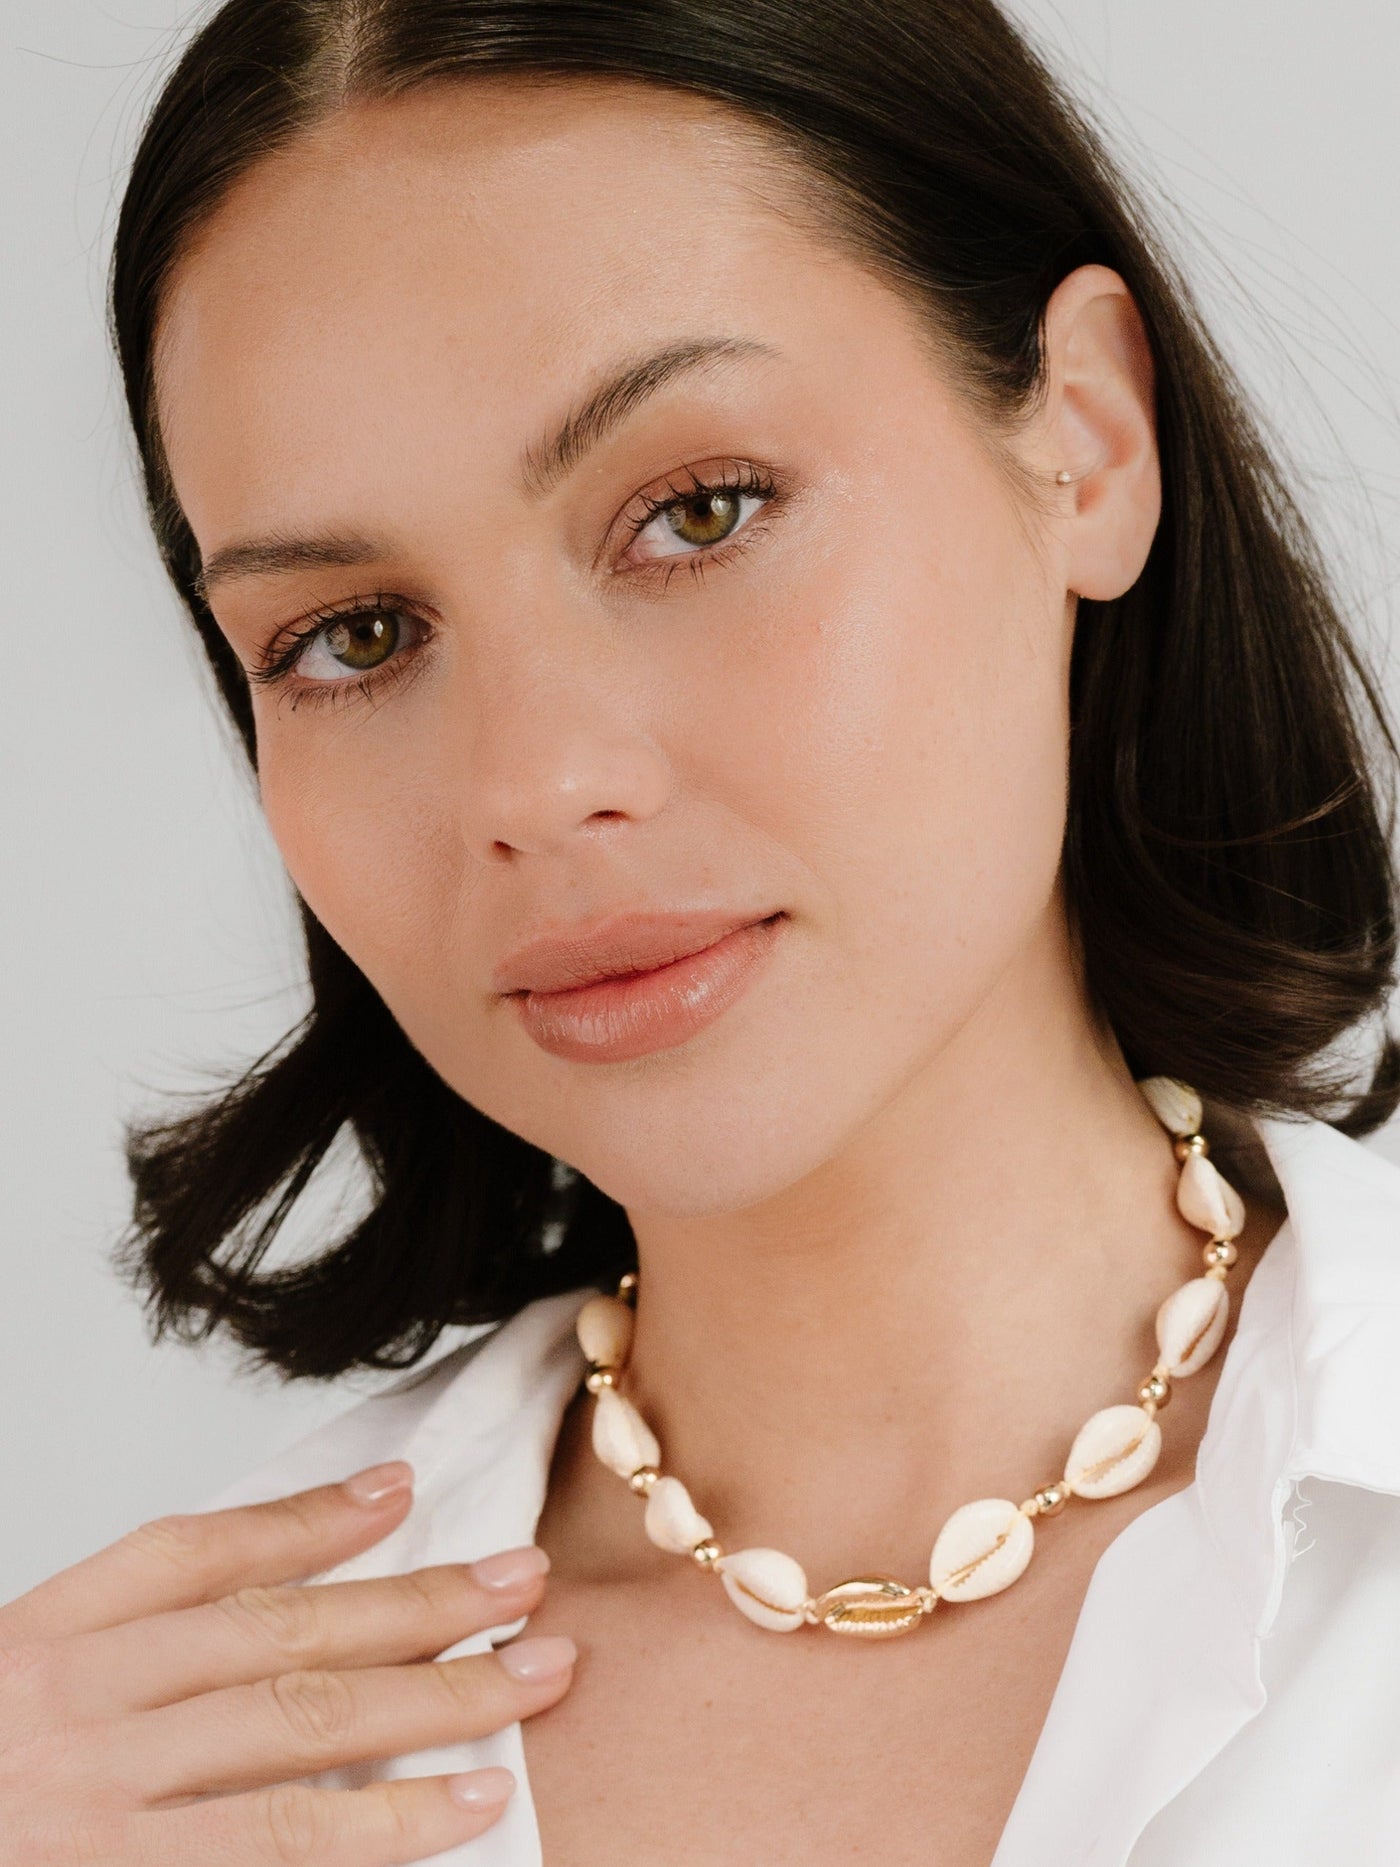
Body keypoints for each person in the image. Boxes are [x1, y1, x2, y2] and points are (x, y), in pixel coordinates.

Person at [5, 0, 1400, 1861]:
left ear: (1088, 439)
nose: (536, 781)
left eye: (699, 511)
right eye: (354, 635)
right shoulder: (159, 1776)